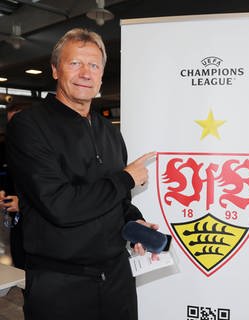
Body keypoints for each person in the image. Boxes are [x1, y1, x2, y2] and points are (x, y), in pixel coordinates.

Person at [6, 28, 158, 320]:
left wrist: (132, 220)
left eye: (94, 65)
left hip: (117, 280)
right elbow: (59, 205)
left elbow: (117, 200)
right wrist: (126, 178)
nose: (85, 73)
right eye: (75, 63)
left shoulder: (110, 134)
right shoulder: (29, 126)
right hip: (61, 285)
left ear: (102, 75)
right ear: (55, 69)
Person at [0, 102, 32, 270]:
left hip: (40, 229)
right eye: (10, 123)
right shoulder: (12, 149)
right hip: (18, 225)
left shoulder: (47, 151)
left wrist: (24, 204)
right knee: (20, 268)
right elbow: (9, 177)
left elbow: (58, 197)